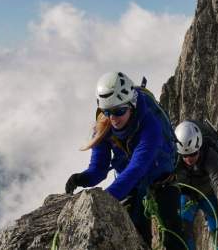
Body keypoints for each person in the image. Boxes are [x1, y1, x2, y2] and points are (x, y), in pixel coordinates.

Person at [64, 71, 184, 249]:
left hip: (160, 179)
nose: (113, 118)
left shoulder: (150, 125)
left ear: (132, 104)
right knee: (136, 234)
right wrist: (83, 178)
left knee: (173, 236)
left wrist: (105, 200)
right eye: (107, 112)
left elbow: (137, 168)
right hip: (130, 184)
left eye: (119, 111)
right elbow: (99, 167)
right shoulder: (104, 124)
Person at [173, 120, 218, 249]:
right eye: (185, 155)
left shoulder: (209, 154)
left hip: (207, 193)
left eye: (193, 154)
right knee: (183, 228)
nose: (189, 159)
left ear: (199, 147)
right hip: (186, 194)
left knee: (217, 227)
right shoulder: (173, 158)